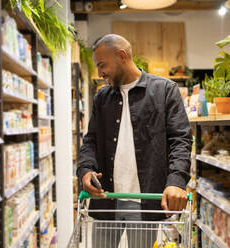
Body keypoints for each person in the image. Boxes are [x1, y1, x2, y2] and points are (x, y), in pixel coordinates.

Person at [76, 34, 192, 247]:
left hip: (145, 203)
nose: (100, 73)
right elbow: (90, 141)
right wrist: (85, 170)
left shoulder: (164, 90)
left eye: (102, 65)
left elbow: (180, 140)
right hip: (106, 200)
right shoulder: (102, 98)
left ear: (121, 56)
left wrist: (176, 181)